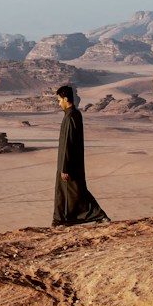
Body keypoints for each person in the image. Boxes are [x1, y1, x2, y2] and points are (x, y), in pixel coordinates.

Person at [52, 84, 110, 226]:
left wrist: (64, 167)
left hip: (69, 163)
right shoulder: (73, 115)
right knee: (68, 192)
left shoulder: (71, 116)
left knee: (77, 192)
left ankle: (98, 216)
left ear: (66, 99)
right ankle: (61, 219)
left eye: (59, 100)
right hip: (72, 162)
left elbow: (67, 143)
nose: (59, 103)